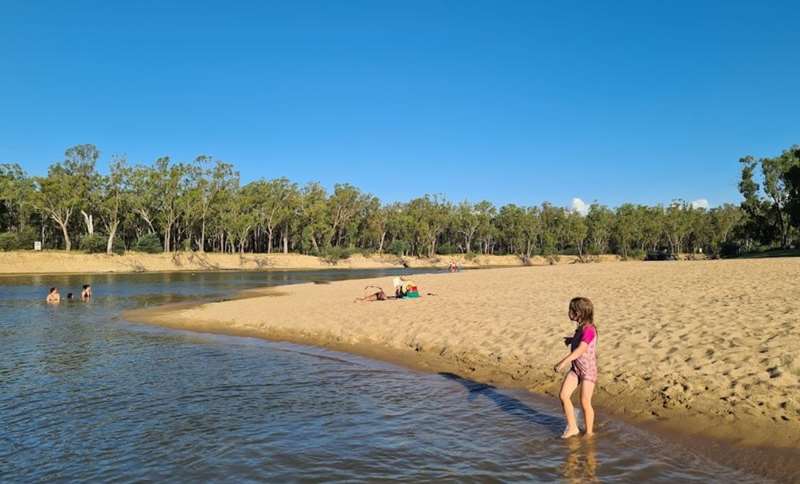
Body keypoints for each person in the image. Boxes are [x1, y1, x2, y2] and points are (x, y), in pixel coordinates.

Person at [554, 297, 598, 438]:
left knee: (585, 401)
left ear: (579, 313)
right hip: (576, 369)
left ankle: (589, 433)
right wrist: (571, 340)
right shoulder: (580, 328)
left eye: (571, 310)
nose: (569, 312)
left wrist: (563, 362)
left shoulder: (589, 330)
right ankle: (573, 427)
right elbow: (579, 341)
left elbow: (581, 349)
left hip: (587, 371)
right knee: (563, 395)